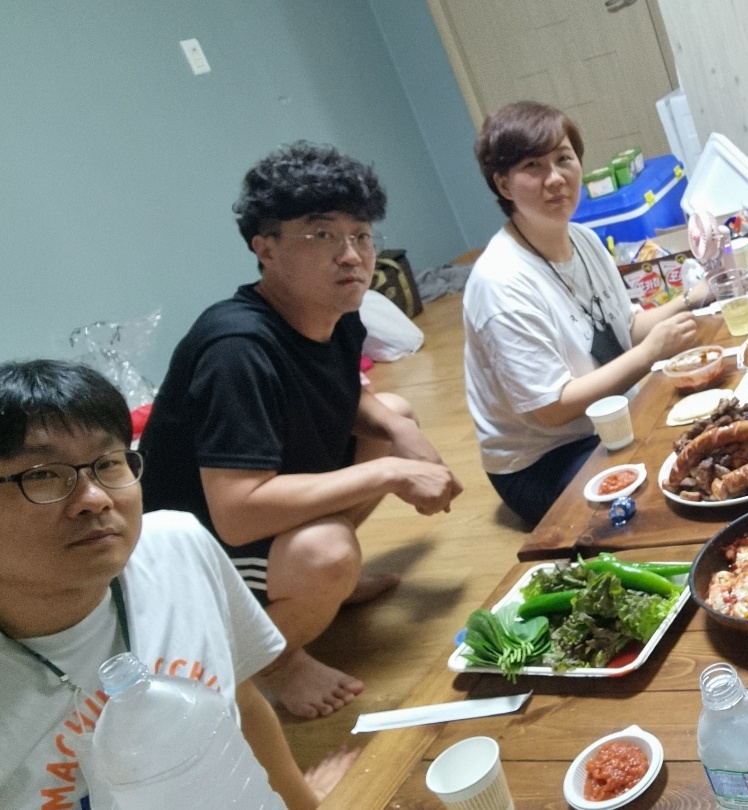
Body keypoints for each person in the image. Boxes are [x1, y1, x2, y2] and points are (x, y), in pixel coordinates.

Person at [140, 141, 463, 719]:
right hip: (198, 554)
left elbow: (346, 397)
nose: (352, 255)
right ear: (265, 248)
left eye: (361, 235)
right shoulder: (237, 348)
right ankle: (271, 661)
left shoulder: (335, 315)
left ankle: (311, 590)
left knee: (394, 415)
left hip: (252, 514)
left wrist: (398, 430)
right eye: (322, 234)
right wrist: (391, 472)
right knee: (326, 552)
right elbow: (237, 513)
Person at [0, 360, 352, 809]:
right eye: (42, 475)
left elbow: (242, 704)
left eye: (108, 463)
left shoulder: (178, 548)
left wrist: (304, 803)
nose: (95, 499)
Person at [464, 101, 701, 527]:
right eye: (533, 166)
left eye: (563, 159)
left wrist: (693, 298)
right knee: (669, 495)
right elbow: (553, 408)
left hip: (612, 417)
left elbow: (627, 328)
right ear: (503, 184)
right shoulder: (500, 283)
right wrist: (650, 353)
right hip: (545, 459)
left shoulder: (584, 239)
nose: (555, 178)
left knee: (706, 434)